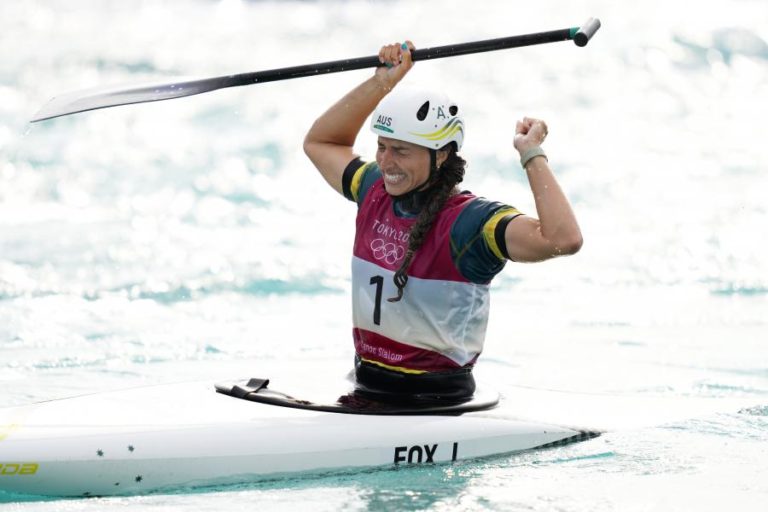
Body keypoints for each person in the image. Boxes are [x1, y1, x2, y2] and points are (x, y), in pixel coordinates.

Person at [304, 40, 582, 404]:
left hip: (436, 401)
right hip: (366, 385)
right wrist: (382, 82)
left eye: (401, 151)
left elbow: (563, 239)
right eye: (382, 147)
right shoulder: (372, 187)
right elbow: (321, 142)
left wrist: (531, 153)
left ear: (443, 154)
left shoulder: (473, 224)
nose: (387, 162)